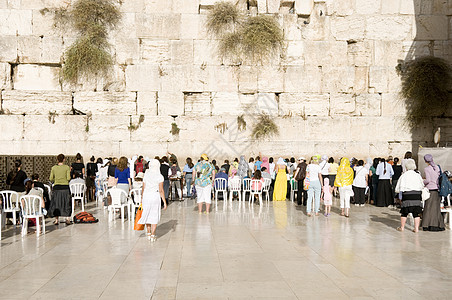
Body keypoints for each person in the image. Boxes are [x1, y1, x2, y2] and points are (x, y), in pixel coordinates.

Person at [139, 159, 167, 242]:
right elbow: (161, 190)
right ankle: (153, 234)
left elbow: (143, 188)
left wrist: (141, 198)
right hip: (155, 196)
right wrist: (164, 202)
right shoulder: (159, 176)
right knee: (154, 215)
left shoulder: (146, 175)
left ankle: (148, 232)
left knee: (147, 213)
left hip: (146, 196)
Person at [394, 159, 423, 232]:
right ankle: (416, 228)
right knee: (416, 212)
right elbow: (422, 185)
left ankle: (402, 227)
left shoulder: (404, 175)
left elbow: (398, 188)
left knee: (404, 212)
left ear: (406, 167)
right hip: (417, 194)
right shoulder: (418, 175)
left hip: (407, 194)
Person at [421, 154, 445, 231]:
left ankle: (427, 224)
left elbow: (428, 180)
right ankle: (438, 224)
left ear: (425, 160)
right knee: (436, 208)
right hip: (437, 190)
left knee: (428, 208)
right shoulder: (437, 167)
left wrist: (423, 183)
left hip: (430, 190)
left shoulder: (427, 169)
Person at [49, 154, 72, 225]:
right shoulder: (67, 167)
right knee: (66, 203)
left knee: (56, 203)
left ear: (57, 159)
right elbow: (68, 178)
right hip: (65, 187)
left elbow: (50, 178)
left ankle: (56, 220)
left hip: (57, 187)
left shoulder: (53, 168)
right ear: (64, 159)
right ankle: (67, 219)